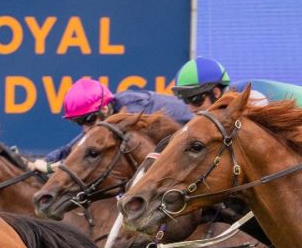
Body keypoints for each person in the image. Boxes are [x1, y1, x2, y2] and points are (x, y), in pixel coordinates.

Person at [27, 77, 192, 173]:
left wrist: (58, 167)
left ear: (104, 109)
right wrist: (46, 160)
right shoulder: (107, 113)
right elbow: (74, 146)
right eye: (78, 122)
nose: (85, 128)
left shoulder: (130, 112)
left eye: (88, 120)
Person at [171, 56, 302, 113]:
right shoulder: (231, 100)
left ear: (216, 93)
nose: (191, 109)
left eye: (195, 100)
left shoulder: (252, 99)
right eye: (186, 100)